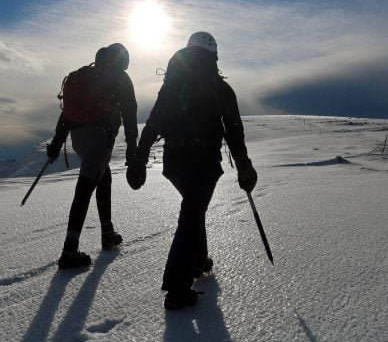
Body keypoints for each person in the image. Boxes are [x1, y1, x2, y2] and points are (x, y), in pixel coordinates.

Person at [126, 32, 258, 309]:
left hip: (174, 162)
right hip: (205, 161)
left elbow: (153, 122)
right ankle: (177, 287)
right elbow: (234, 130)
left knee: (193, 208)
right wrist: (244, 165)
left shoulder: (172, 83)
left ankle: (199, 262)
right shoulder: (220, 88)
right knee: (192, 213)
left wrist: (139, 158)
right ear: (214, 55)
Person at [47, 43, 138, 269]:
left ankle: (107, 232)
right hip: (99, 136)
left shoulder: (84, 77)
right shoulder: (120, 79)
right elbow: (129, 113)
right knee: (86, 186)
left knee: (102, 175)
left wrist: (58, 142)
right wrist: (132, 146)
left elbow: (67, 114)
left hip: (79, 137)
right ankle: (69, 250)